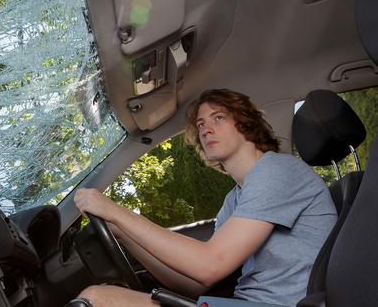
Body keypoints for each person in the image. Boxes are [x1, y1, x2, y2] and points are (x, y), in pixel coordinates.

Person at [74, 88, 337, 306]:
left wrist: (114, 211)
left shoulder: (276, 170)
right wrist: (122, 233)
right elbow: (196, 282)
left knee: (97, 299)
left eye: (218, 118)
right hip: (246, 303)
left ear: (246, 123)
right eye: (201, 124)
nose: (206, 129)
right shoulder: (236, 199)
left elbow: (209, 264)